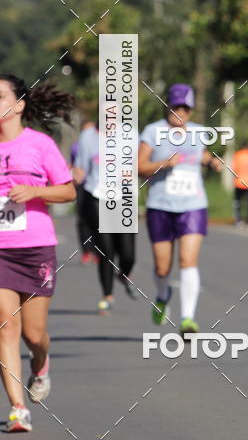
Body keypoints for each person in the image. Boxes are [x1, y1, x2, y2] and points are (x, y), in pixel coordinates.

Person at [0, 75, 76, 432]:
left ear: (18, 105)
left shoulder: (40, 144)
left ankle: (40, 364)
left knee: (34, 334)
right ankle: (18, 408)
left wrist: (34, 191)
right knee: (5, 326)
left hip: (35, 249)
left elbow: (67, 192)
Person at [138, 84, 221, 335]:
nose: (180, 112)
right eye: (176, 107)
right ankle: (163, 294)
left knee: (188, 261)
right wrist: (164, 163)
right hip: (160, 205)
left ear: (191, 109)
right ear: (168, 106)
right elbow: (140, 166)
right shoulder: (153, 132)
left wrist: (212, 161)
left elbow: (201, 155)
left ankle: (187, 319)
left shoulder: (199, 132)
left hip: (193, 205)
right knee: (163, 267)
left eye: (185, 108)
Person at [73, 120, 137, 314]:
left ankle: (124, 273)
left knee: (127, 254)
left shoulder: (130, 134)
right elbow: (81, 168)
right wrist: (71, 177)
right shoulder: (88, 136)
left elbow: (139, 163)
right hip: (97, 197)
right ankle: (107, 296)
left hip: (124, 198)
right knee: (106, 250)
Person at [70, 120, 96, 265]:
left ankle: (99, 251)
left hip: (100, 188)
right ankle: (86, 251)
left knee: (98, 221)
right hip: (82, 187)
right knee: (83, 220)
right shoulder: (76, 148)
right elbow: (74, 166)